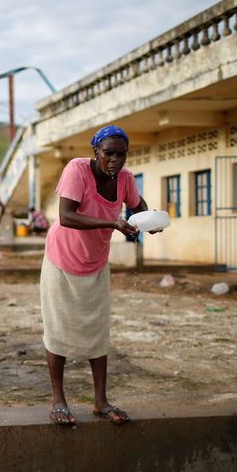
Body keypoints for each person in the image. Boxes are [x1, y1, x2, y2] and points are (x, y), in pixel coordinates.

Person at [42, 124, 156, 426]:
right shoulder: (77, 169)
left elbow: (137, 205)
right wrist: (114, 224)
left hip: (95, 261)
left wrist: (146, 221)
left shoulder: (125, 179)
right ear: (96, 152)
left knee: (98, 328)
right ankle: (59, 399)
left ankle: (100, 400)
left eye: (122, 154)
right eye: (109, 153)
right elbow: (66, 216)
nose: (116, 160)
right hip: (61, 258)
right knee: (58, 326)